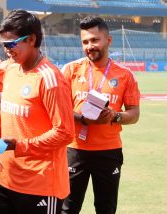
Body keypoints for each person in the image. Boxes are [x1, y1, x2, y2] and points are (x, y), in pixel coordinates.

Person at [0, 9, 74, 214]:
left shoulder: (51, 79)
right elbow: (12, 115)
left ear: (31, 39)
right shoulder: (11, 70)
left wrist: (18, 145)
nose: (6, 50)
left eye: (11, 44)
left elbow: (64, 132)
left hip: (41, 185)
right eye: (3, 44)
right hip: (6, 178)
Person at [61, 16, 140, 214]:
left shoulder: (124, 75)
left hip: (108, 151)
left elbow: (134, 113)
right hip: (74, 150)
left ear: (108, 40)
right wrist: (80, 118)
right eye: (85, 42)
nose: (90, 46)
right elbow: (59, 109)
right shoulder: (70, 70)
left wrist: (115, 116)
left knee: (106, 208)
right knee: (67, 208)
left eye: (95, 40)